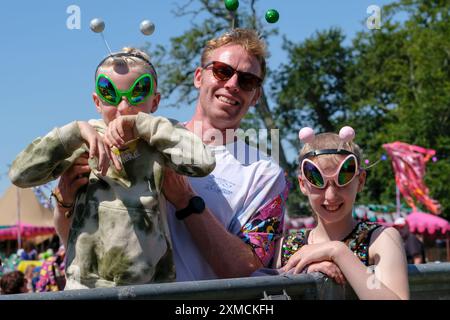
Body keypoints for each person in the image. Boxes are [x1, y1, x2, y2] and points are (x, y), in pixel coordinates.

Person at [54, 29, 288, 282]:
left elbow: (246, 270)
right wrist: (64, 202)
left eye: (247, 81)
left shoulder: (264, 174)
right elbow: (81, 242)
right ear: (199, 77)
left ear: (256, 95)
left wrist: (186, 200)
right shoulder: (137, 138)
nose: (232, 85)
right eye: (222, 71)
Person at [9, 47, 215, 289]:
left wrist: (144, 126)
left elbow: (203, 162)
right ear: (97, 101)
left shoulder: (159, 139)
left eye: (138, 93)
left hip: (149, 289)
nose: (124, 106)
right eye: (110, 94)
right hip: (85, 290)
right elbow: (19, 175)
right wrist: (73, 132)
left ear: (155, 101)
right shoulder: (84, 141)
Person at [266, 127, 409, 300]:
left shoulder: (380, 239)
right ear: (303, 184)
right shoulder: (285, 246)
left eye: (343, 180)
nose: (331, 195)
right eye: (318, 181)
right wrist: (305, 273)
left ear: (361, 181)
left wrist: (338, 251)